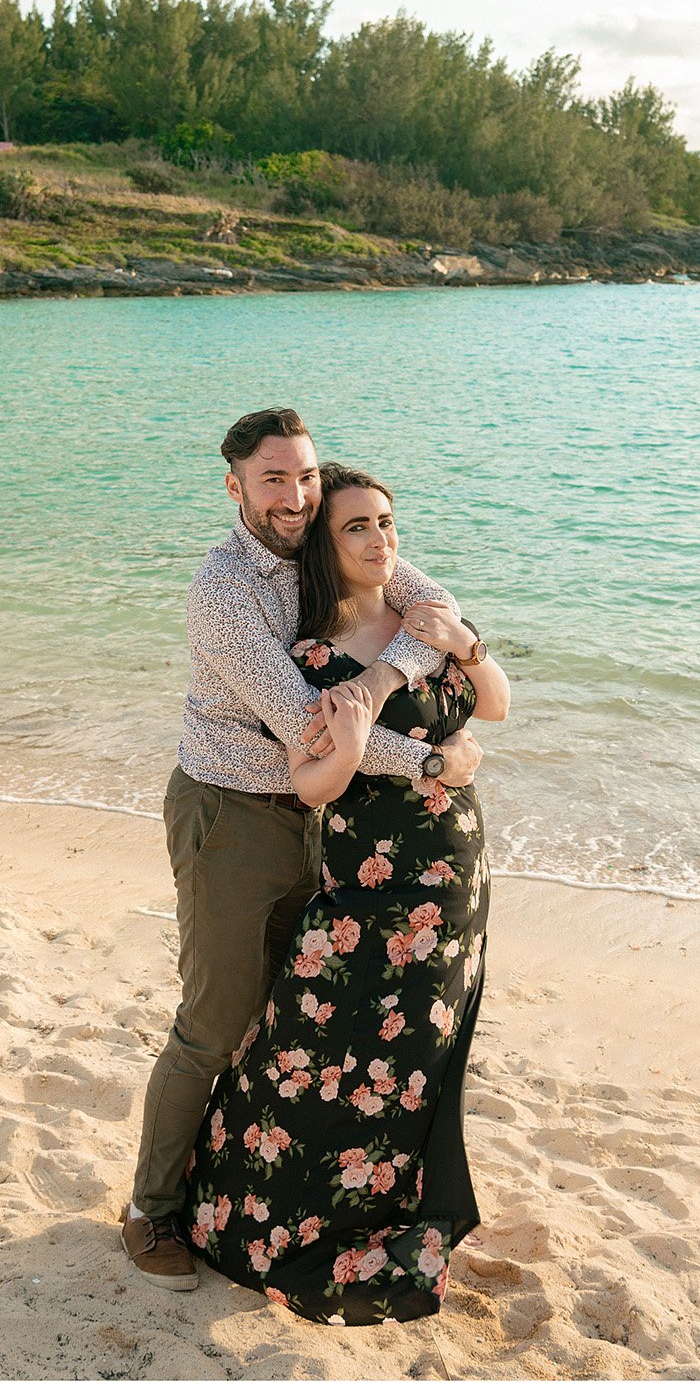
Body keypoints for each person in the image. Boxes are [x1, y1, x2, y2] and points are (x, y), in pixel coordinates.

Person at [122, 407, 483, 1291]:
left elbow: (435, 606)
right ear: (235, 484)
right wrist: (436, 761)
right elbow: (309, 729)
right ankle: (149, 1211)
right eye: (274, 478)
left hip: (330, 825)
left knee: (284, 1020)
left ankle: (237, 1195)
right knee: (212, 1027)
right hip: (233, 814)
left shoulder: (330, 540)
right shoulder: (223, 589)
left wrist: (397, 669)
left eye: (305, 476)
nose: (295, 495)